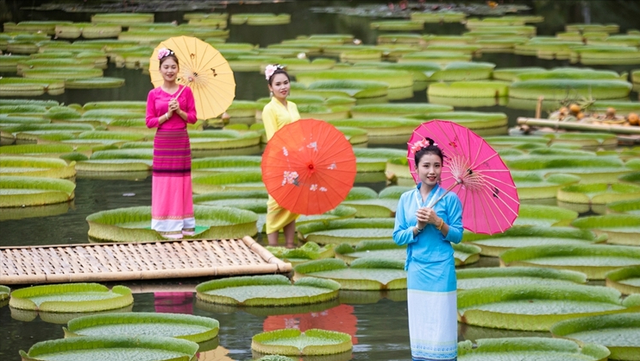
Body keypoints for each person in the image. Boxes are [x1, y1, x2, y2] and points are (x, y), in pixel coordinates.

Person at [392, 137, 463, 361]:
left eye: (437, 166)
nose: (432, 171)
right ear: (416, 168)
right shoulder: (405, 199)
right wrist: (417, 228)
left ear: (442, 168)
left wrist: (438, 222)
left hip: (442, 269)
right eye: (426, 166)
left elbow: (458, 235)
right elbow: (398, 237)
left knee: (442, 325)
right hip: (417, 269)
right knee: (421, 325)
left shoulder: (450, 198)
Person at [145, 47, 198, 239]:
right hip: (163, 142)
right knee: (164, 182)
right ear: (160, 70)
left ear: (178, 70)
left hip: (180, 141)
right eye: (166, 67)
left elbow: (193, 118)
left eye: (173, 67)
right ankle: (163, 225)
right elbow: (149, 122)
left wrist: (179, 112)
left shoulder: (186, 92)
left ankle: (182, 225)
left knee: (180, 182)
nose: (169, 70)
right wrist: (167, 115)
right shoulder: (154, 94)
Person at [262, 64, 301, 248]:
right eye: (278, 84)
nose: (283, 87)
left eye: (286, 82)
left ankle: (290, 245)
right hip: (278, 161)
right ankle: (273, 248)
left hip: (297, 160)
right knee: (276, 204)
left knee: (292, 204)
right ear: (270, 87)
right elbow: (273, 139)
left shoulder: (293, 106)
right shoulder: (269, 110)